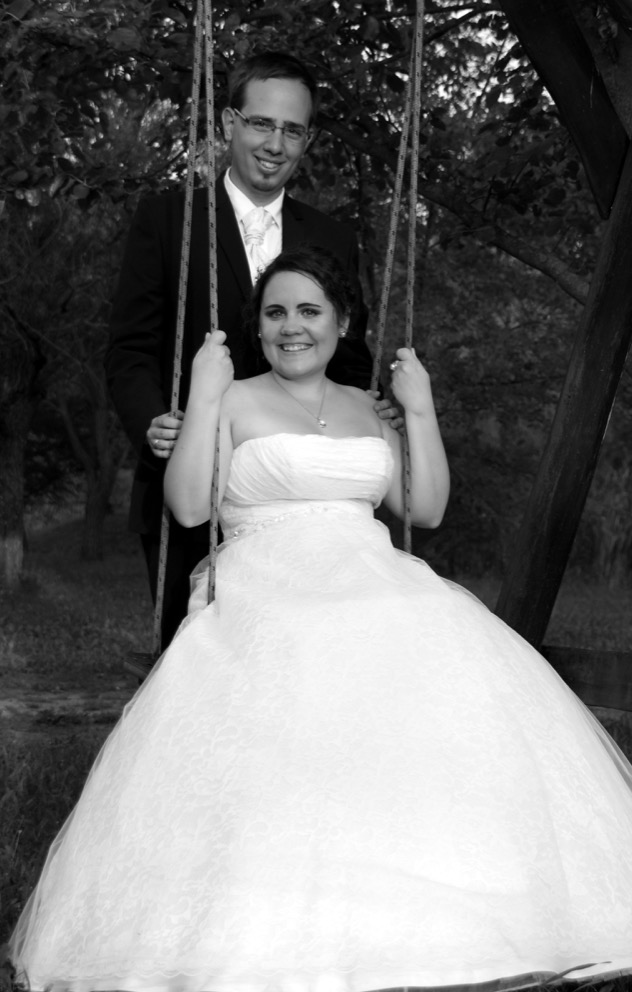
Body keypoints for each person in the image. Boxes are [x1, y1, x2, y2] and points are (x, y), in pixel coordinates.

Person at [9, 245, 632, 992]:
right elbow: (191, 508)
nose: (291, 327)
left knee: (435, 639)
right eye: (275, 313)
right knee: (307, 649)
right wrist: (202, 394)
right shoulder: (231, 398)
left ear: (342, 322)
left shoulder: (370, 407)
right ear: (257, 328)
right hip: (270, 579)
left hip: (371, 575)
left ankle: (443, 904)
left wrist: (419, 408)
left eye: (309, 311)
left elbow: (424, 509)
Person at [106, 50, 391, 650]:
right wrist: (152, 422)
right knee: (198, 661)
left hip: (299, 493)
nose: (275, 144)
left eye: (293, 130)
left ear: (308, 140)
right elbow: (130, 349)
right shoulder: (169, 220)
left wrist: (379, 404)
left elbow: (350, 355)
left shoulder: (333, 237)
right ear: (229, 123)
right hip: (193, 480)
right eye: (262, 123)